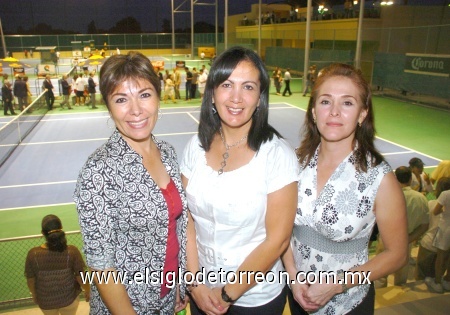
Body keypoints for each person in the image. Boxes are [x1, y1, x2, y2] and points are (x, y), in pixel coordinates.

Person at [180, 46, 299, 314]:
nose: (236, 97)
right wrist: (194, 283)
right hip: (202, 293)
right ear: (212, 93)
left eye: (248, 87)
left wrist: (226, 294)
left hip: (255, 299)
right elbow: (186, 221)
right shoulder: (195, 147)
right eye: (226, 84)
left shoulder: (277, 154)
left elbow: (277, 240)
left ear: (260, 98)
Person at [283, 63, 408, 315]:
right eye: (326, 101)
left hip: (349, 303)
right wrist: (294, 278)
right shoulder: (293, 164)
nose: (335, 112)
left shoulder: (380, 178)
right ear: (314, 112)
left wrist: (337, 285)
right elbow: (282, 230)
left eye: (347, 103)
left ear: (362, 114)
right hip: (298, 295)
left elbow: (397, 254)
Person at [73, 51, 187, 315]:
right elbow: (101, 266)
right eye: (121, 99)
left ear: (158, 97)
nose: (136, 110)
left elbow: (175, 227)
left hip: (167, 298)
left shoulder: (167, 152)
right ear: (109, 107)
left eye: (145, 95)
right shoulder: (98, 171)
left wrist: (178, 281)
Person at [25, 214, 90, 315]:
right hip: (69, 299)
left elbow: (30, 280)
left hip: (45, 301)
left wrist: (34, 294)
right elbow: (81, 275)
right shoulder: (71, 251)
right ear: (61, 230)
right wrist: (87, 290)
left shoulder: (33, 254)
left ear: (43, 233)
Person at [375, 166, 428, 286]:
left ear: (395, 178)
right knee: (401, 277)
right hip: (406, 242)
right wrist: (408, 239)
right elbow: (424, 225)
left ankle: (378, 299)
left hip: (386, 239)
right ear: (410, 179)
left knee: (380, 275)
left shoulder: (386, 195)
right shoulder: (421, 198)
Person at [416, 177, 450, 281]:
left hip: (429, 245)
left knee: (421, 277)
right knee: (440, 270)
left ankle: (437, 283)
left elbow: (423, 225)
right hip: (446, 246)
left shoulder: (430, 204)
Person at [425, 176, 450, 293]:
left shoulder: (445, 194)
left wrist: (445, 210)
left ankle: (438, 282)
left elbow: (435, 211)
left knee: (441, 256)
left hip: (445, 229)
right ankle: (448, 280)